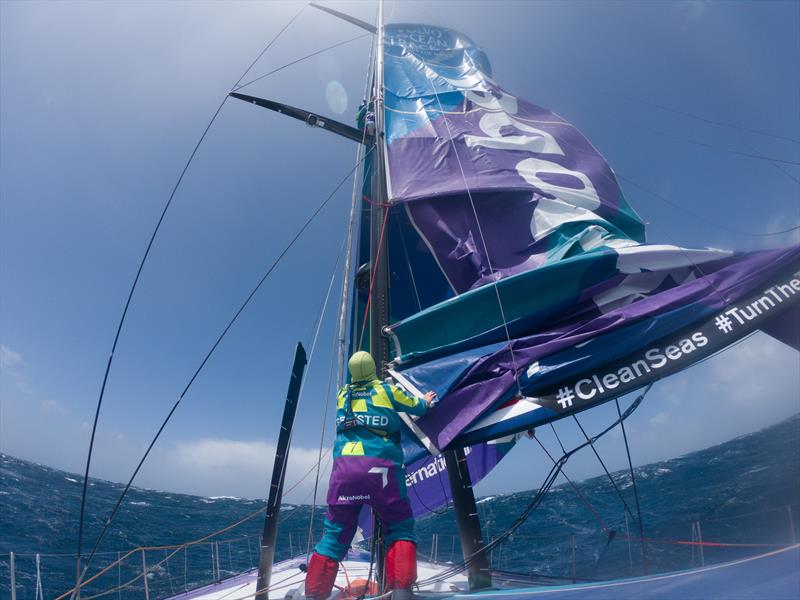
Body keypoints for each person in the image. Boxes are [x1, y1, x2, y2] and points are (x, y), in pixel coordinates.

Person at [304, 351, 436, 600]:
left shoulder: (343, 395)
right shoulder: (386, 390)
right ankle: (401, 593)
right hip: (380, 468)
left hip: (344, 471)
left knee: (333, 537)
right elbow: (418, 407)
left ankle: (313, 596)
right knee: (399, 528)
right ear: (374, 369)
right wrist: (426, 401)